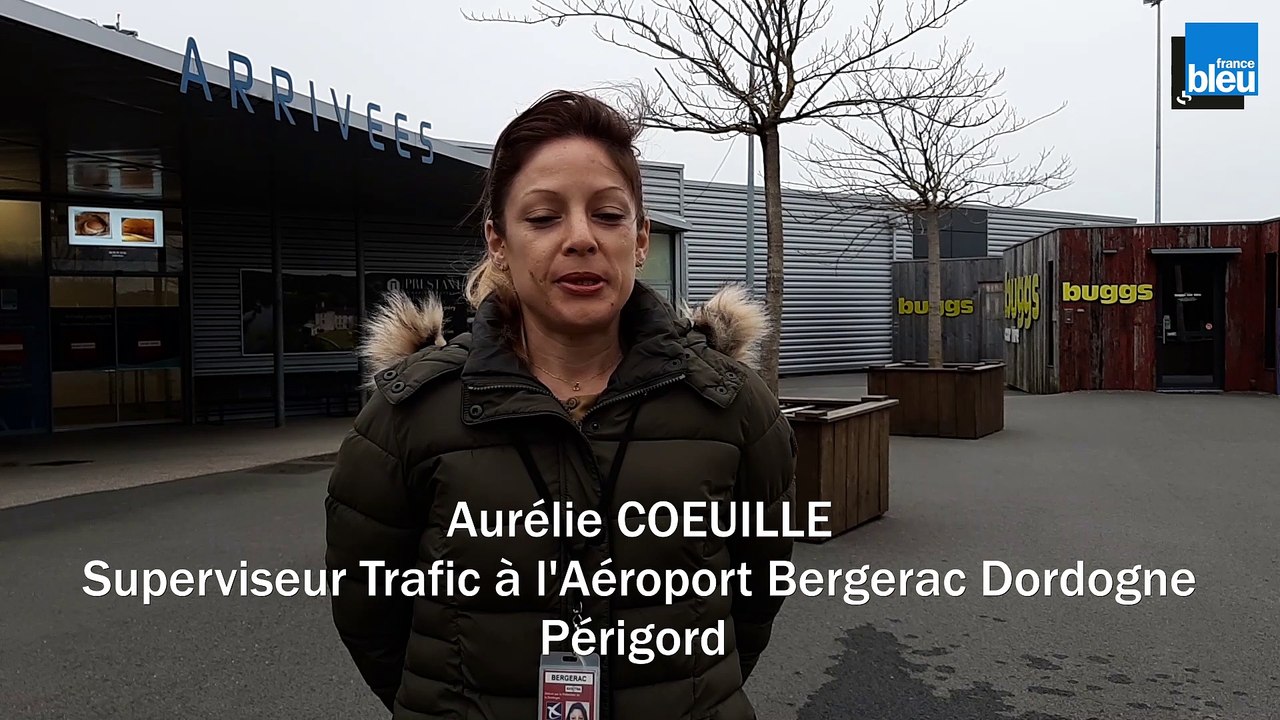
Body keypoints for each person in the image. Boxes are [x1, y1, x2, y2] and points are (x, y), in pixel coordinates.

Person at [325, 89, 797, 720]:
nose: (580, 239)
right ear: (498, 241)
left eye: (608, 214)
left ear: (640, 238)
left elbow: (757, 594)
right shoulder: (407, 414)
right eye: (544, 217)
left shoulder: (733, 408)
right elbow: (369, 612)